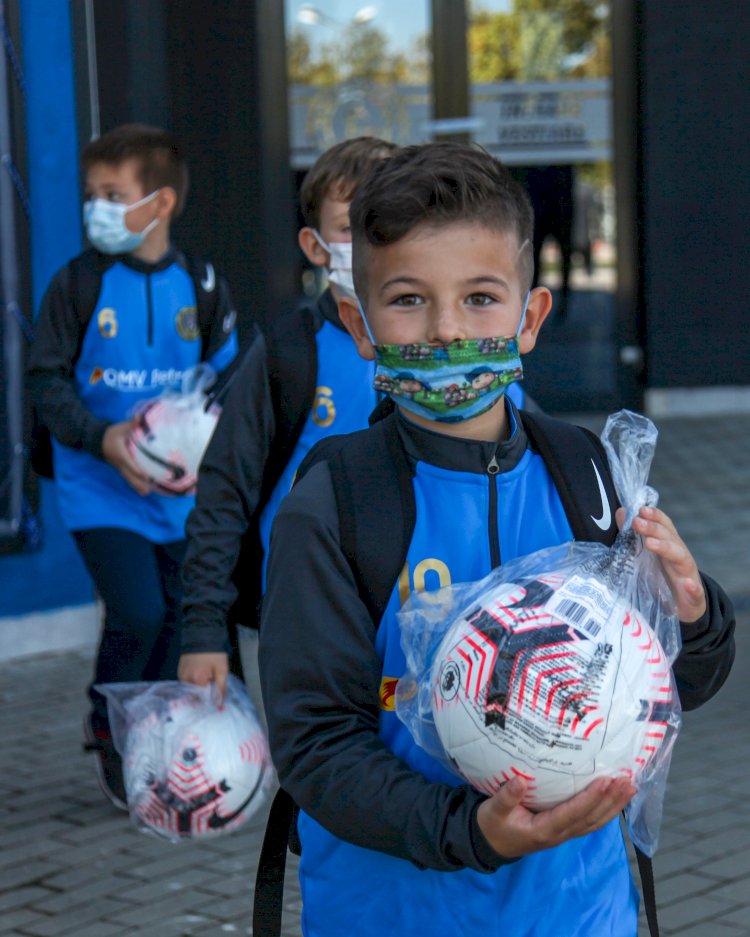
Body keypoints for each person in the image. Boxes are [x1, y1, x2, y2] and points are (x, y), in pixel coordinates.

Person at [258, 143, 735, 936]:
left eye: (481, 297)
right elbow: (316, 747)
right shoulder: (336, 505)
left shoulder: (587, 473)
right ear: (359, 322)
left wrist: (695, 616)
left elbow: (665, 687)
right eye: (408, 299)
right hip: (396, 913)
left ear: (531, 316)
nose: (447, 330)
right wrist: (470, 831)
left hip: (581, 912)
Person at [27, 124, 239, 809]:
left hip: (177, 496)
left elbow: (230, 380)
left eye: (113, 194)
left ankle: (156, 735)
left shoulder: (202, 285)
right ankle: (106, 719)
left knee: (180, 617)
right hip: (100, 486)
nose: (96, 207)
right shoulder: (78, 284)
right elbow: (45, 379)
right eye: (90, 194)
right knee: (140, 611)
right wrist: (103, 438)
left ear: (162, 203)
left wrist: (202, 442)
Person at [177, 137, 399, 715]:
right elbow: (224, 488)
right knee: (318, 775)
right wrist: (205, 630)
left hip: (423, 608)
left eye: (388, 219)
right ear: (315, 245)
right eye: (351, 226)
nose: (371, 240)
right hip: (302, 612)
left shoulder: (452, 352)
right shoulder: (288, 353)